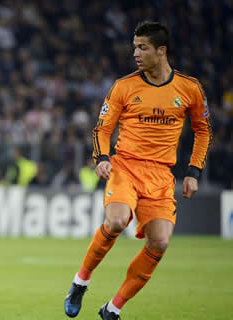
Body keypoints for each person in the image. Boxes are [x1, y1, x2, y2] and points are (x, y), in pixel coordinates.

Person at [64, 21, 212, 319]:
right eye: (134, 47)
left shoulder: (190, 88)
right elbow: (102, 129)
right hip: (125, 167)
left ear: (161, 51)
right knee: (117, 221)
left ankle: (113, 308)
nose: (136, 53)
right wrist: (102, 158)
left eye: (142, 48)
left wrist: (194, 172)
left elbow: (203, 130)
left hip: (160, 175)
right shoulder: (124, 86)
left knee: (160, 242)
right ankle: (81, 281)